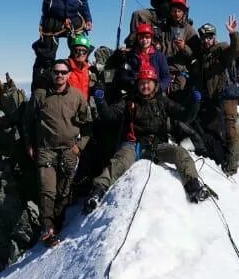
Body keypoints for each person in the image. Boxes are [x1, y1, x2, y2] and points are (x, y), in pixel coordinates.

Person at [85, 65, 213, 209]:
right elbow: (109, 116)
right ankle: (98, 191)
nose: (145, 86)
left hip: (157, 145)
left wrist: (195, 103)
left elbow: (184, 116)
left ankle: (193, 186)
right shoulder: (128, 101)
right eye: (142, 83)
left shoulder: (162, 101)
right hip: (133, 145)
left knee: (180, 153)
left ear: (155, 84)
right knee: (119, 163)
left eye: (148, 82)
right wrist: (101, 102)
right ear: (137, 84)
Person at [26, 60, 90, 245]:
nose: (59, 75)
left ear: (69, 74)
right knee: (48, 190)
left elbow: (88, 124)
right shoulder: (40, 95)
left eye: (63, 72)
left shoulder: (76, 96)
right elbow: (29, 121)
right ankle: (47, 227)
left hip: (69, 149)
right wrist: (30, 144)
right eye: (56, 72)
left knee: (64, 191)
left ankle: (58, 223)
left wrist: (80, 145)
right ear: (51, 74)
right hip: (46, 148)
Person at [22, 0, 92, 91]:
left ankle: (78, 89)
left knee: (80, 51)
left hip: (74, 19)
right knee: (45, 58)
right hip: (52, 20)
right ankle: (41, 92)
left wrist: (88, 18)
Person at [192, 15, 239, 176]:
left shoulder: (221, 49)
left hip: (227, 95)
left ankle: (231, 168)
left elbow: (235, 50)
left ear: (214, 38)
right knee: (216, 130)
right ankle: (221, 160)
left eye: (209, 37)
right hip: (214, 99)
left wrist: (233, 33)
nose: (207, 40)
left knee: (230, 130)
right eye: (204, 38)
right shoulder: (204, 56)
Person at [117, 23, 171, 94]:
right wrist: (134, 84)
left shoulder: (159, 56)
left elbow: (166, 77)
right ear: (137, 39)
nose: (144, 40)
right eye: (141, 37)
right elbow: (124, 76)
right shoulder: (131, 56)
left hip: (155, 92)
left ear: (151, 38)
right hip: (136, 92)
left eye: (147, 37)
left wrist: (159, 88)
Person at [64, 34, 97, 99]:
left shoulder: (90, 70)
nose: (80, 53)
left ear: (87, 53)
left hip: (84, 107)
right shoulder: (64, 68)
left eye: (84, 51)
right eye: (77, 50)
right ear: (72, 51)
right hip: (68, 107)